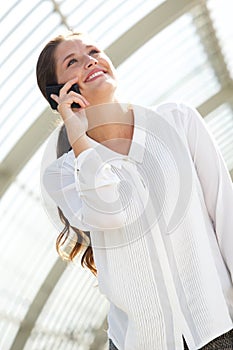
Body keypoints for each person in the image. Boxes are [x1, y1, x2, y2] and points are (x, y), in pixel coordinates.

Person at [36, 31, 233, 350]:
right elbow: (111, 212)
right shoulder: (62, 175)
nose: (90, 60)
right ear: (58, 95)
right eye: (73, 61)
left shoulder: (178, 121)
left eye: (94, 51)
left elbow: (226, 214)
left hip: (218, 329)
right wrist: (78, 137)